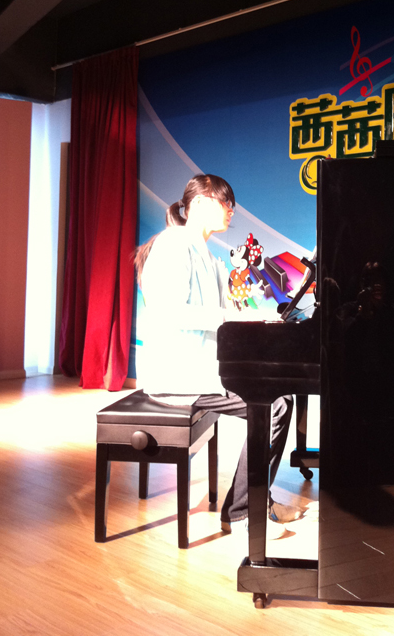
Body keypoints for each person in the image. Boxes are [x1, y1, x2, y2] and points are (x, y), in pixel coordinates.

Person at [134, 173, 303, 536]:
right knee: (276, 404)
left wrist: (259, 319)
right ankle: (243, 511)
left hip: (204, 369)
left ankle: (254, 501)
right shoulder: (173, 244)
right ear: (199, 203)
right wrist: (232, 317)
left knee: (280, 398)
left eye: (232, 205)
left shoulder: (211, 259)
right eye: (226, 202)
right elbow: (170, 312)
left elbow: (225, 318)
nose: (231, 210)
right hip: (179, 374)